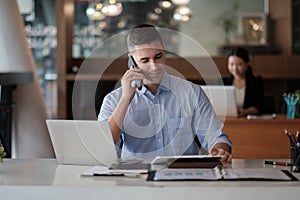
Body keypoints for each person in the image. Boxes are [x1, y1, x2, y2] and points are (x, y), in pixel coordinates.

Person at [98, 24, 232, 162]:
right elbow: (104, 144)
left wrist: (220, 149)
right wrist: (126, 99)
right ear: (131, 60)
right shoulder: (114, 99)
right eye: (145, 60)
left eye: (158, 56)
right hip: (136, 179)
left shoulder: (192, 92)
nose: (154, 66)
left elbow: (216, 136)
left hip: (183, 176)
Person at [224, 47, 264, 117]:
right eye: (232, 64)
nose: (235, 68)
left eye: (239, 64)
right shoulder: (224, 83)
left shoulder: (256, 82)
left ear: (246, 64)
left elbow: (258, 107)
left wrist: (241, 112)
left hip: (249, 121)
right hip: (229, 120)